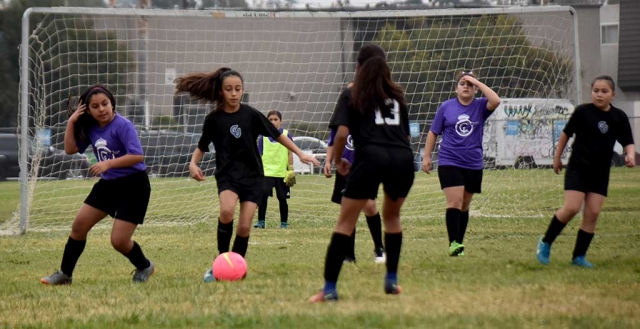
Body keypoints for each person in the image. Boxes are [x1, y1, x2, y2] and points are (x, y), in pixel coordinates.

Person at [174, 68, 320, 282]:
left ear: (243, 91)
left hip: (253, 177)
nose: (234, 93)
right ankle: (220, 264)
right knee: (226, 211)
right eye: (229, 89)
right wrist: (193, 164)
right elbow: (202, 146)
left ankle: (235, 268)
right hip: (227, 176)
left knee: (244, 225)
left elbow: (278, 135)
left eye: (238, 89)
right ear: (221, 92)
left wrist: (300, 153)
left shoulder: (251, 115)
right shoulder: (213, 119)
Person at [310, 44, 414, 302]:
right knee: (392, 218)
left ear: (358, 68)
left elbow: (342, 134)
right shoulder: (398, 96)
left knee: (345, 222)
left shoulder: (352, 94)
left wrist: (340, 161)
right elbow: (407, 135)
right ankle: (391, 281)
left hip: (370, 157)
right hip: (402, 158)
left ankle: (329, 289)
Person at [41, 85, 154, 285]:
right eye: (95, 106)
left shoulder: (123, 125)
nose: (101, 109)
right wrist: (72, 121)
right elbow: (70, 149)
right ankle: (65, 275)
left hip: (134, 185)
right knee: (78, 227)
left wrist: (107, 163)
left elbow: (137, 156)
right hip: (109, 185)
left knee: (118, 241)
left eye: (105, 104)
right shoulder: (91, 128)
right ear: (88, 110)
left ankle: (145, 265)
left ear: (112, 104)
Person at [536, 75, 635, 268]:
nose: (599, 95)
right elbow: (566, 134)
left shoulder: (619, 117)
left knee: (593, 213)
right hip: (578, 168)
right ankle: (546, 242)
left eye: (604, 91)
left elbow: (628, 142)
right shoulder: (582, 112)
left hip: (600, 172)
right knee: (571, 208)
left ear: (612, 95)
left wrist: (630, 155)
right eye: (595, 91)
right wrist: (557, 158)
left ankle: (578, 257)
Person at [421, 70, 501, 256]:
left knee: (465, 205)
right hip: (450, 160)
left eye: (470, 84)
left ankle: (459, 243)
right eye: (462, 83)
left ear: (475, 89)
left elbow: (496, 100)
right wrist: (427, 156)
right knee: (455, 201)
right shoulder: (446, 107)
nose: (466, 87)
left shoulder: (481, 106)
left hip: (473, 163)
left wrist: (477, 82)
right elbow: (433, 132)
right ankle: (453, 243)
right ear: (456, 88)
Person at [325, 126, 385, 264]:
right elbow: (332, 141)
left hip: (366, 167)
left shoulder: (370, 113)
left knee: (370, 207)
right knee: (348, 210)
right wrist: (328, 161)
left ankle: (379, 248)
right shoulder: (342, 116)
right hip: (345, 169)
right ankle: (349, 255)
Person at [255, 110, 296, 229]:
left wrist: (291, 169)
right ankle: (261, 221)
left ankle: (284, 222)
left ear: (281, 121)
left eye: (275, 119)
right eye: (270, 120)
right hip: (267, 173)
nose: (273, 122)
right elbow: (260, 155)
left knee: (282, 199)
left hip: (281, 173)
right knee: (263, 198)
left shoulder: (286, 134)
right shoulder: (262, 137)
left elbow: (290, 153)